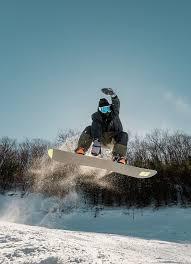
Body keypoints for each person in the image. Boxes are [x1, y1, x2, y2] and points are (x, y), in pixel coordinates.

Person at [75, 88, 128, 164]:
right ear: (99, 110)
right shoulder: (97, 117)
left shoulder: (114, 113)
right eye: (103, 109)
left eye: (107, 109)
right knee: (89, 128)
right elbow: (96, 128)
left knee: (124, 135)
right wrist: (97, 141)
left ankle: (118, 156)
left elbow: (116, 104)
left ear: (110, 108)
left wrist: (113, 95)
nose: (106, 111)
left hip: (114, 140)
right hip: (101, 139)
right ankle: (81, 149)